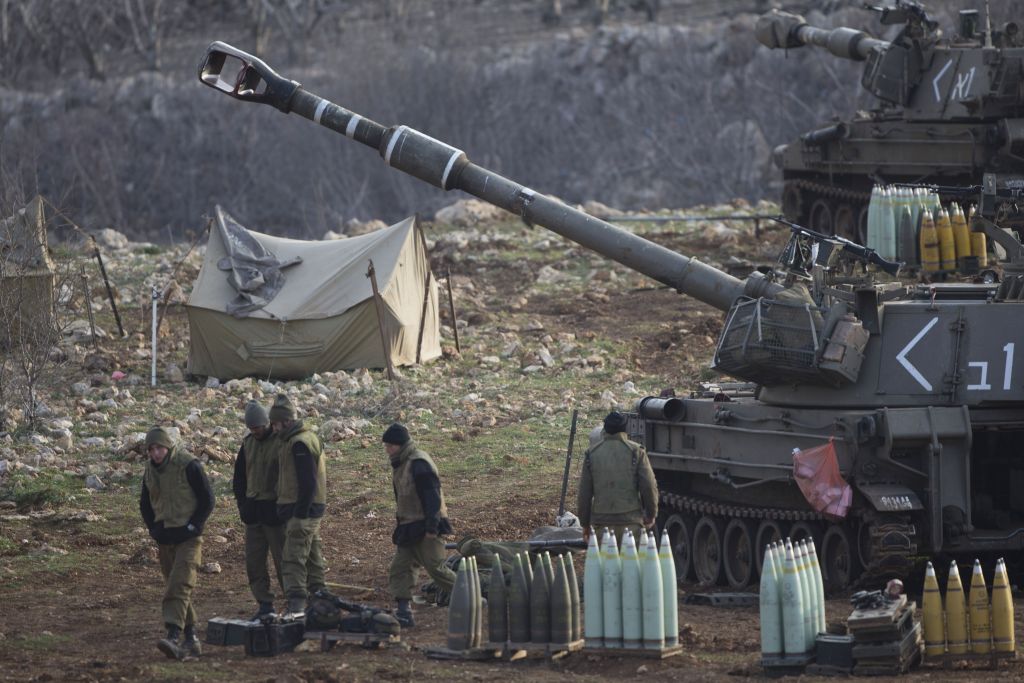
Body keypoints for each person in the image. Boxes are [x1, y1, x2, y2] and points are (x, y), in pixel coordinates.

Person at [139, 425, 214, 661]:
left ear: (168, 446)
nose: (156, 453)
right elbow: (145, 504)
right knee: (178, 587)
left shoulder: (188, 464)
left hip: (189, 539)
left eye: (159, 447)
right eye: (151, 449)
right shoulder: (150, 471)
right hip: (165, 540)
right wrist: (154, 530)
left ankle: (172, 634)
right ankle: (191, 639)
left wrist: (194, 525)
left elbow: (208, 498)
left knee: (179, 586)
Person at [384, 423, 456, 628]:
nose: (387, 450)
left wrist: (432, 528)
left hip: (426, 527)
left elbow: (432, 496)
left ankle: (472, 597)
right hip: (409, 527)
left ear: (400, 445)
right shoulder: (402, 463)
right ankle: (404, 611)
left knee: (437, 569)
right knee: (400, 568)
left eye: (390, 446)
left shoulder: (419, 463)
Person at [269, 393, 327, 614]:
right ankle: (321, 600)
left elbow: (308, 482)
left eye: (275, 424)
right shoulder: (300, 438)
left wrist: (299, 513)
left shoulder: (299, 443)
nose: (273, 429)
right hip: (307, 510)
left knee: (292, 559)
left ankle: (297, 604)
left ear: (286, 421)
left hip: (303, 512)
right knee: (312, 557)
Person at [232, 400, 285, 619]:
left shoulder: (281, 443)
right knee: (254, 563)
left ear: (268, 424)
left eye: (259, 428)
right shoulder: (247, 444)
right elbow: (239, 479)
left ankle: (295, 602)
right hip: (254, 513)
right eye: (252, 429)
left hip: (275, 513)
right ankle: (264, 604)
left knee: (284, 562)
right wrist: (243, 506)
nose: (256, 432)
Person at [577, 411, 658, 549]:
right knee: (632, 567)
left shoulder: (592, 454)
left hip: (602, 525)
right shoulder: (636, 452)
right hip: (631, 523)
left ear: (605, 429)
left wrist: (585, 524)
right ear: (625, 429)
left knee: (607, 569)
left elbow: (584, 493)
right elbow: (649, 486)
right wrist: (651, 514)